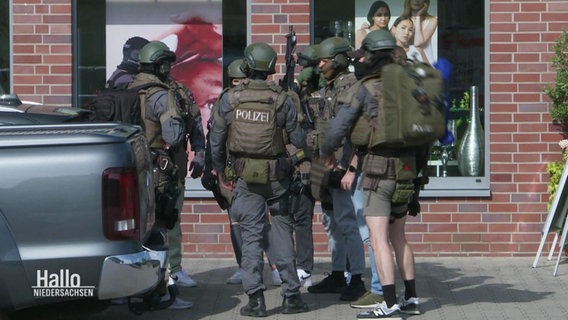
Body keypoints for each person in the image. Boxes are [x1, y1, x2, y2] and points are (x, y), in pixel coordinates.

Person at [320, 30, 420, 318]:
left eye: (363, 56)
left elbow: (340, 126)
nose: (359, 61)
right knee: (399, 235)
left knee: (378, 239)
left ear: (374, 58)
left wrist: (328, 153)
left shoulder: (365, 87)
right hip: (406, 168)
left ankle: (388, 302)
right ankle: (411, 297)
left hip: (377, 169)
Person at [209, 42, 309, 317]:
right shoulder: (282, 99)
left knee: (251, 236)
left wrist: (221, 173)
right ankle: (291, 296)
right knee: (282, 233)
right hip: (279, 178)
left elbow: (215, 141)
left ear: (247, 65)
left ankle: (255, 299)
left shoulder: (230, 99)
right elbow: (299, 140)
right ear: (270, 68)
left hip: (244, 177)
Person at [130, 40, 206, 309]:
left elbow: (195, 122)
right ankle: (161, 285)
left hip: (131, 170)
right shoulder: (166, 94)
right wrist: (196, 152)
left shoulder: (126, 89)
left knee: (141, 226)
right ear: (162, 65)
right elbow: (177, 133)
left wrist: (199, 151)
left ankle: (155, 276)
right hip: (164, 169)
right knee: (165, 222)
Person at [306, 36, 366, 302]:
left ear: (340, 61)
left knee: (348, 221)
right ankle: (338, 272)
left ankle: (357, 278)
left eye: (325, 60)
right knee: (330, 221)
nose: (320, 64)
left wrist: (349, 166)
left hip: (343, 164)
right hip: (326, 163)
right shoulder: (330, 87)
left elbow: (355, 132)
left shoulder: (352, 88)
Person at [202, 58, 247, 285]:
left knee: (261, 220)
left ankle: (275, 266)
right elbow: (214, 136)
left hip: (257, 165)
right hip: (231, 166)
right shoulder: (225, 101)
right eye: (240, 81)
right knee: (235, 219)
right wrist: (213, 167)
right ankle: (244, 266)